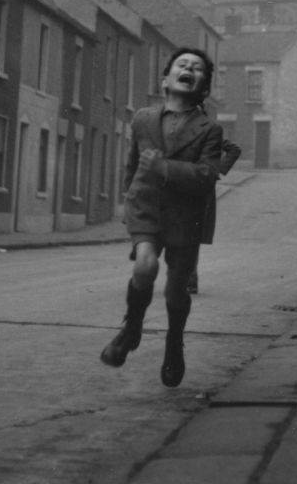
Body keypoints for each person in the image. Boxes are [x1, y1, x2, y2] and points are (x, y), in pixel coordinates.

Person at [100, 48, 222, 388]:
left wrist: (164, 167)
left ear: (203, 87)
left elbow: (206, 175)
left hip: (186, 214)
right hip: (146, 207)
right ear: (165, 79)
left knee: (175, 292)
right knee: (144, 266)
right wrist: (129, 198)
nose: (189, 69)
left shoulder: (209, 130)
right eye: (182, 65)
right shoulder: (142, 118)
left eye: (197, 68)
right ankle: (132, 329)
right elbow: (132, 165)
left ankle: (174, 344)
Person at [187, 138, 242, 295]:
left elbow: (234, 149)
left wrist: (218, 170)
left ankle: (191, 280)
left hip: (201, 191)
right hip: (180, 186)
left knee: (193, 236)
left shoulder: (209, 132)